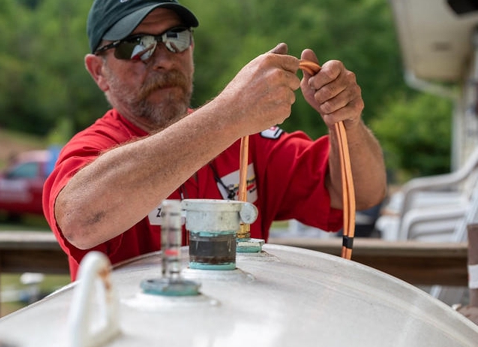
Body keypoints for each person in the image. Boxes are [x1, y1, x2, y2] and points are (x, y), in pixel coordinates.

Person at [43, 0, 387, 280]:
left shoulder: (247, 139)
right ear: (98, 71)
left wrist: (348, 120)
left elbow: (358, 193)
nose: (163, 59)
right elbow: (79, 220)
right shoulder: (94, 149)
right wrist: (229, 114)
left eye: (176, 37)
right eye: (136, 46)